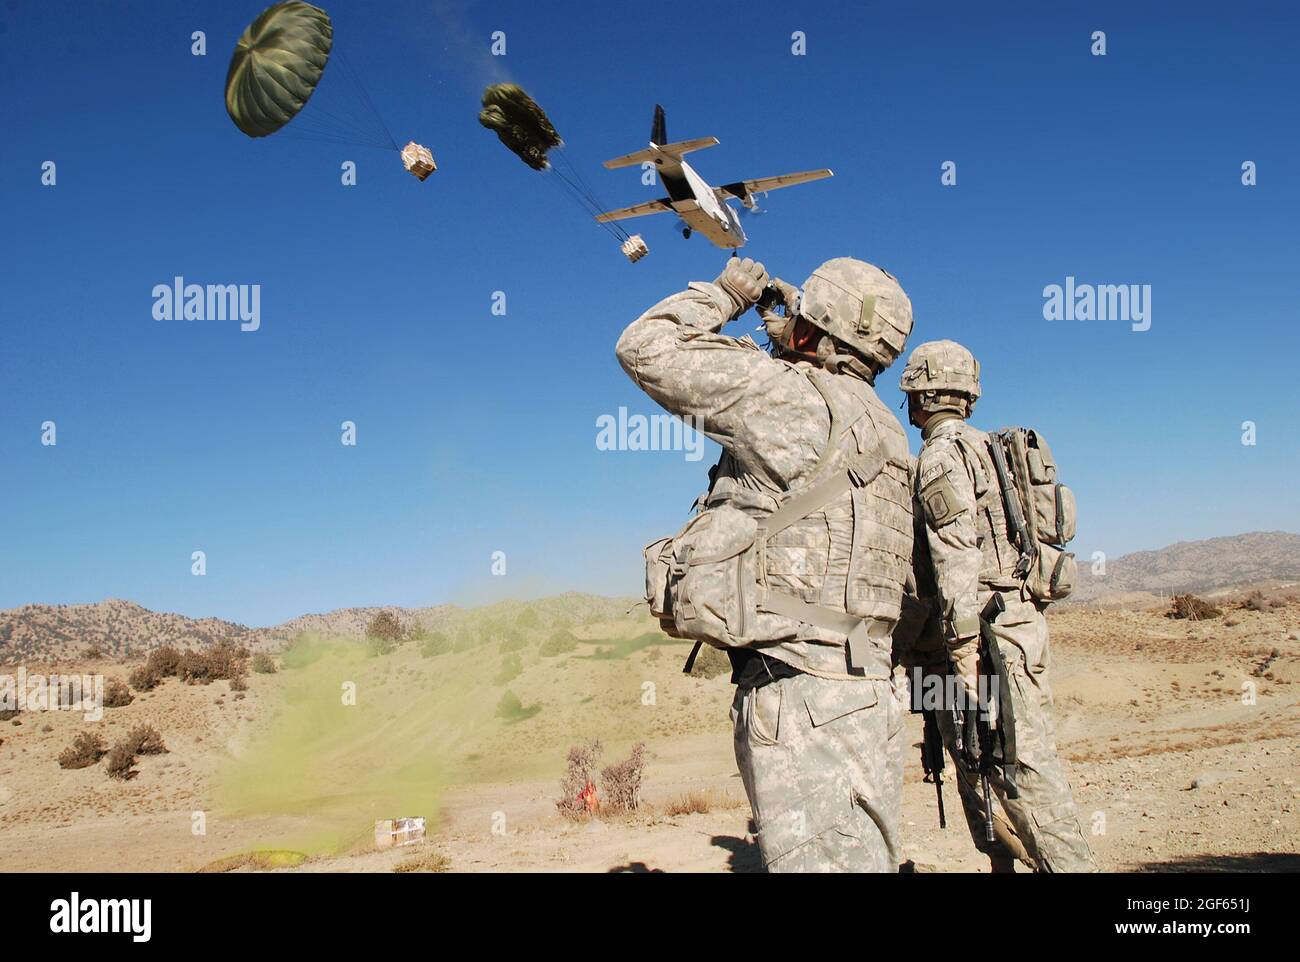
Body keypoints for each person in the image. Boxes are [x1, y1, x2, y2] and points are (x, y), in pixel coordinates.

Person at [617, 257, 914, 872]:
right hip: (866, 685)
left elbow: (644, 347)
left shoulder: (790, 398)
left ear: (816, 329)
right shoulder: (884, 429)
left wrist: (726, 294)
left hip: (800, 689)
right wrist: (792, 334)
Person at [898, 339, 1097, 872]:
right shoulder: (989, 447)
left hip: (976, 638)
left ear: (926, 394)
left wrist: (963, 653)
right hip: (1011, 626)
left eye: (913, 393)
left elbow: (955, 552)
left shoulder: (940, 455)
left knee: (1018, 770)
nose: (911, 405)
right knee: (975, 759)